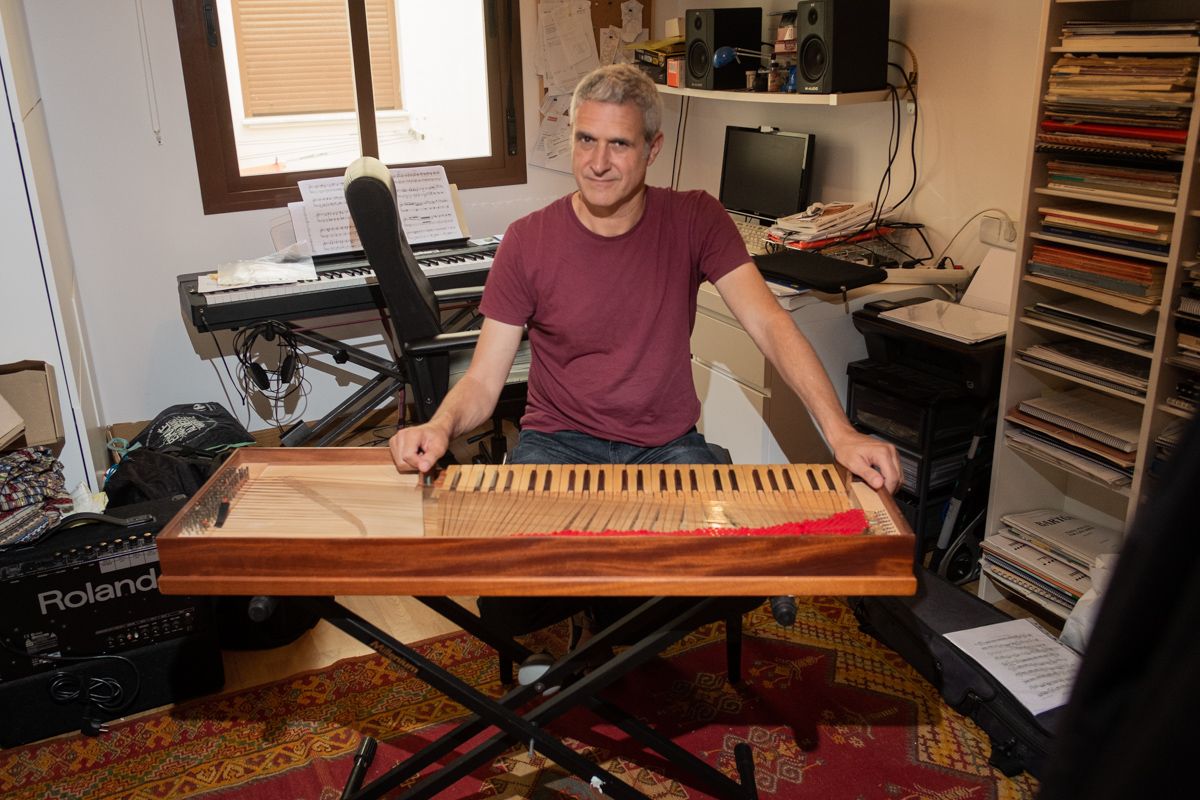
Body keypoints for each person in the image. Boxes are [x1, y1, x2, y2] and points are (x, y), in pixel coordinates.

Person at [388, 63, 901, 645]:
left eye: (619, 144)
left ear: (653, 149)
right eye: (586, 139)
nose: (597, 163)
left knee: (739, 576)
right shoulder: (528, 240)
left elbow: (770, 323)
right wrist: (440, 423)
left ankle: (608, 612)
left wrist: (840, 433)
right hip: (558, 445)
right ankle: (613, 607)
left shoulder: (696, 218)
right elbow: (482, 381)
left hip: (667, 449)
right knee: (509, 598)